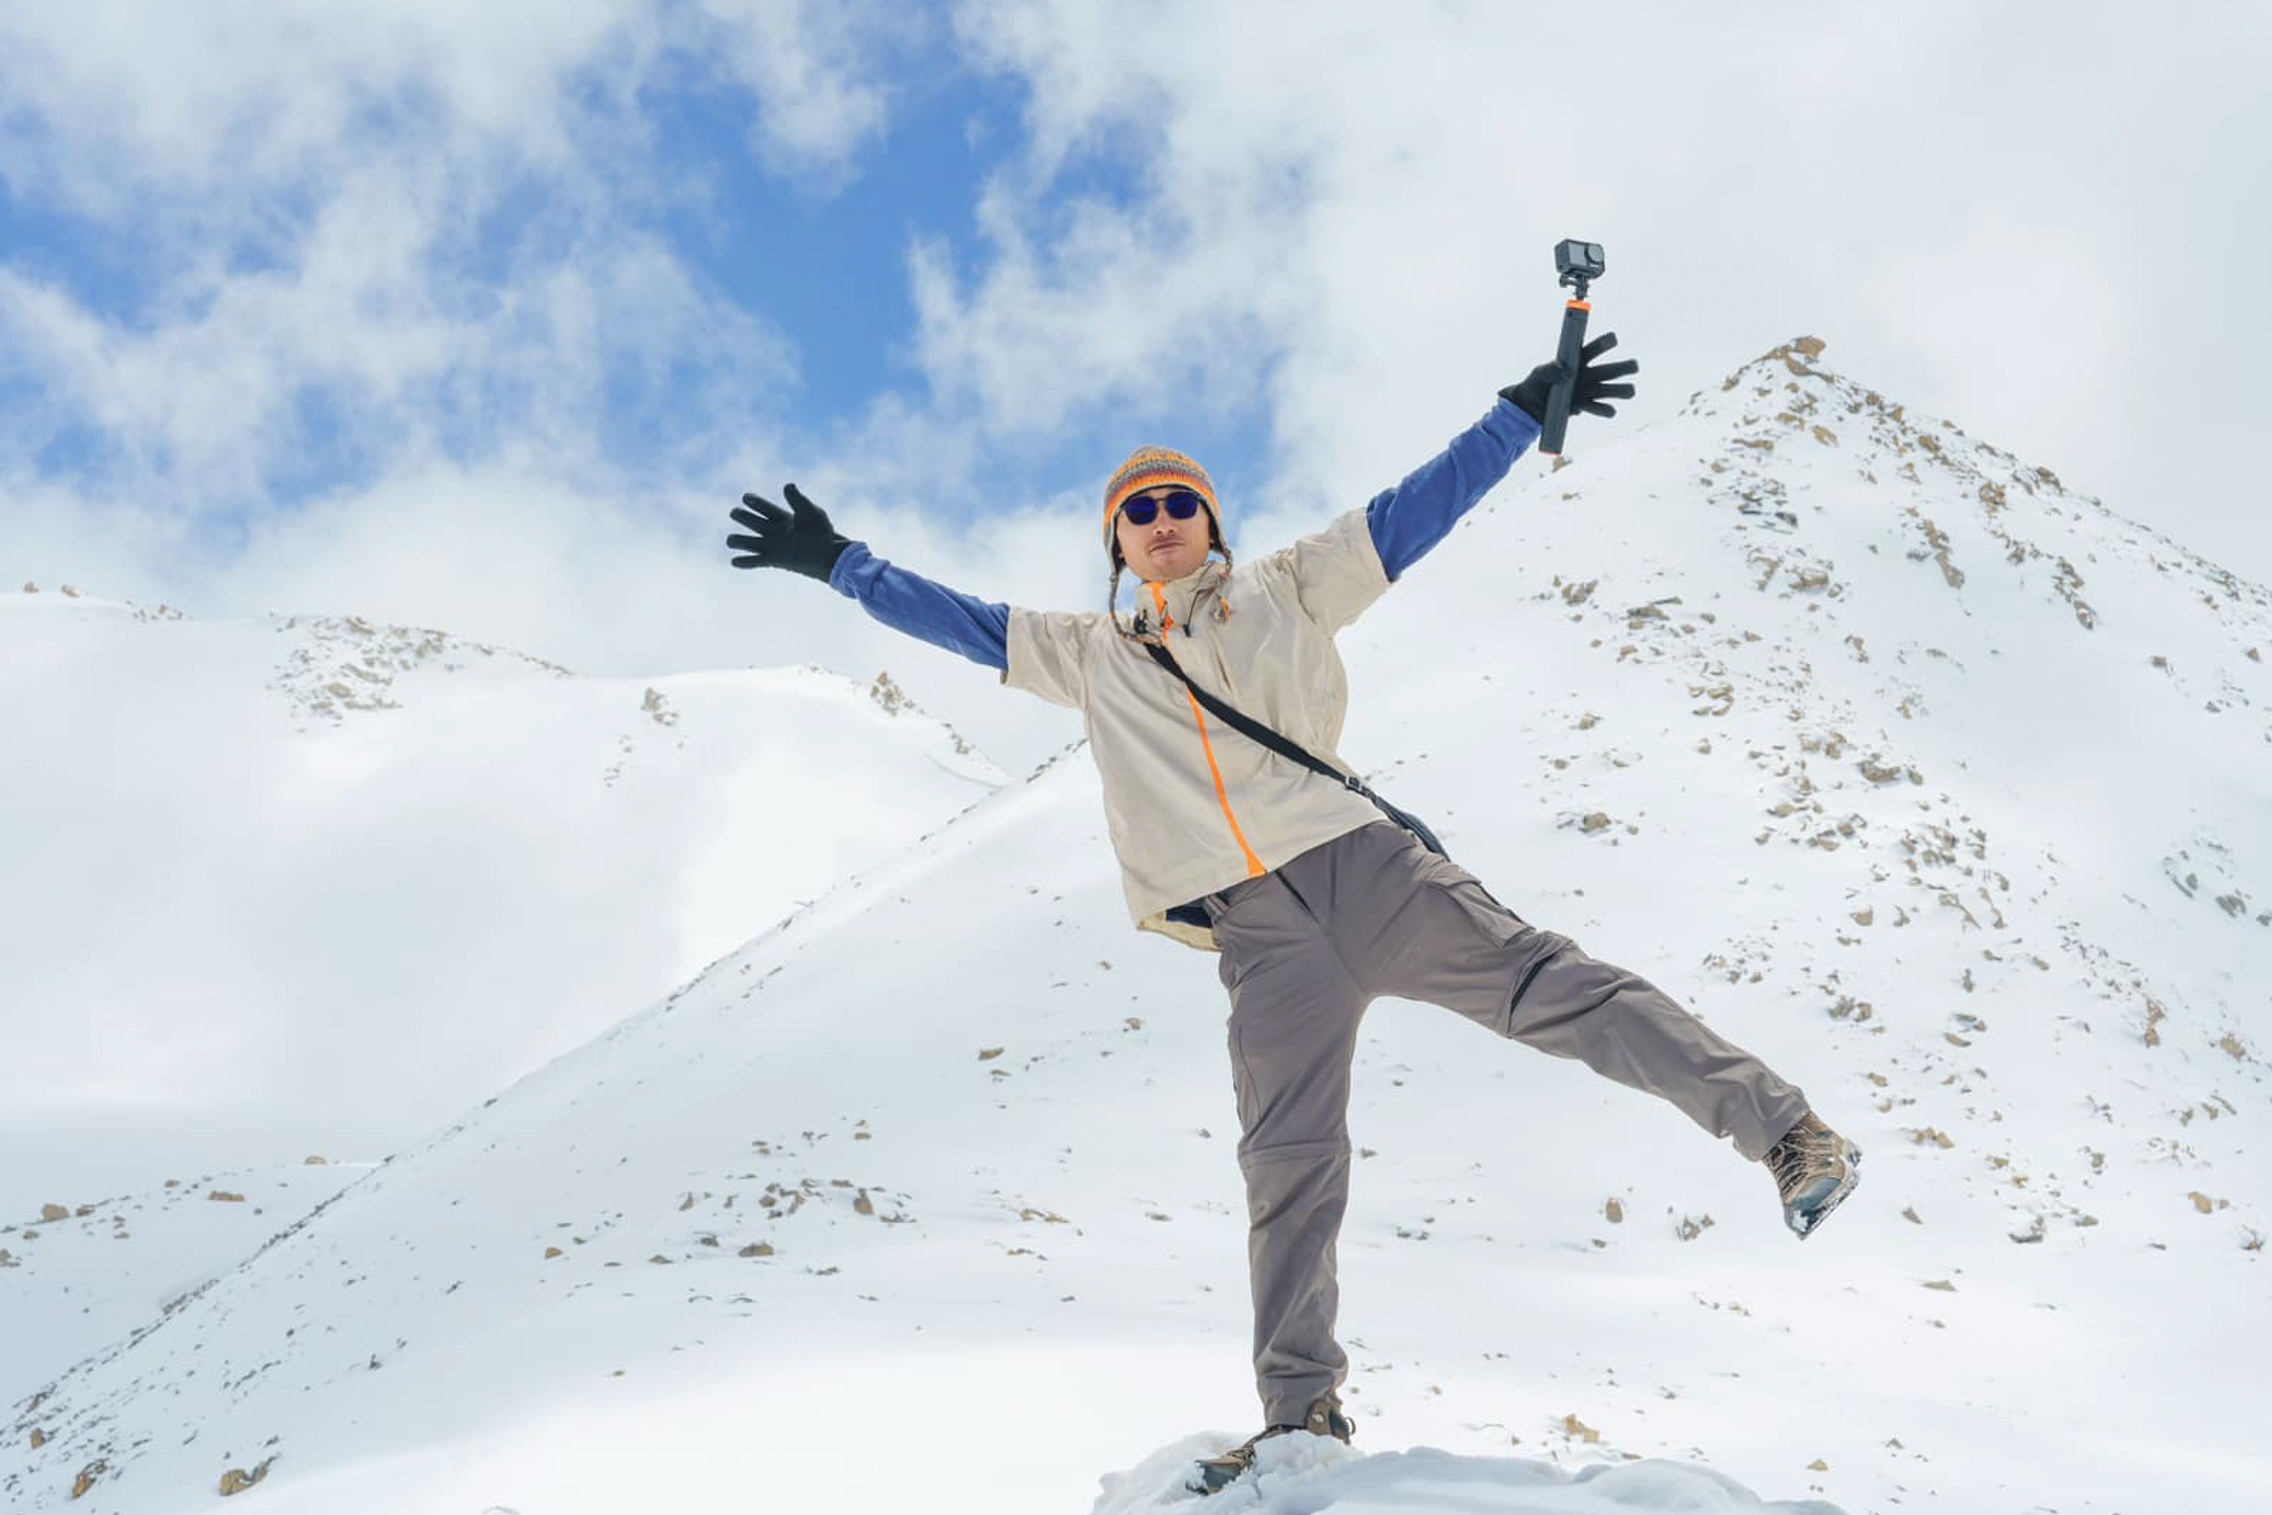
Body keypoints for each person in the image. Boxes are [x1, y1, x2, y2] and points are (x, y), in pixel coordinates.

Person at [724, 334, 1861, 1495]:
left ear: (1210, 522)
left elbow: (1415, 511)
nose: (1161, 521)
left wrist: (1520, 413)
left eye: (1180, 503)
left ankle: (1787, 1134)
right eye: (1137, 512)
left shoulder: (1285, 589)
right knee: (1285, 1161)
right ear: (1116, 542)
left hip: (1363, 869)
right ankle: (1300, 1411)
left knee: (1558, 992)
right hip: (1259, 939)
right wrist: (843, 565)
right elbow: (957, 620)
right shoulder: (1087, 655)